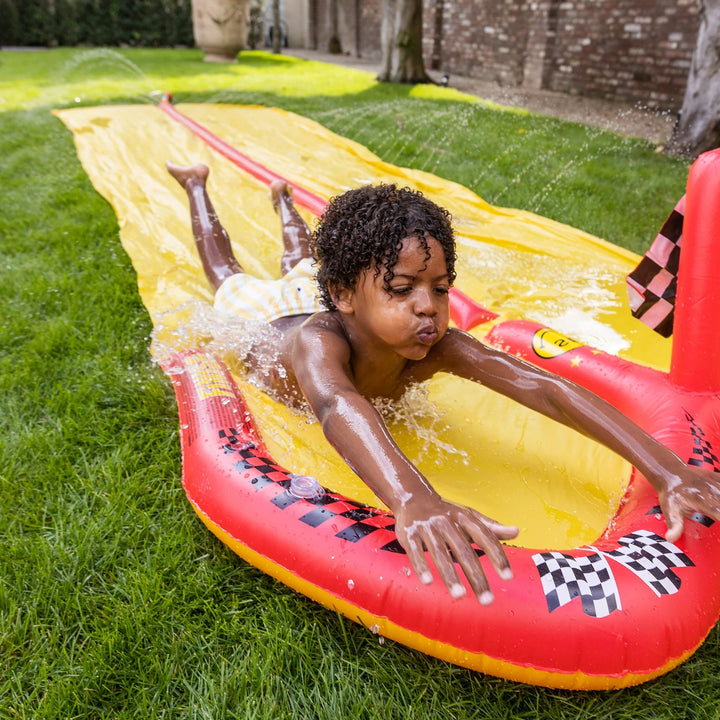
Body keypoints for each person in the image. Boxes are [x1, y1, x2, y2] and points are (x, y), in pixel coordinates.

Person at [167, 161, 720, 605]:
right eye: (403, 289)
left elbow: (544, 388)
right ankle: (196, 184)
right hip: (269, 320)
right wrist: (413, 497)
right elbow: (337, 404)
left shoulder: (436, 345)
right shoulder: (319, 344)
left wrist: (664, 466)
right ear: (343, 297)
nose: (428, 310)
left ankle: (282, 202)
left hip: (326, 293)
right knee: (228, 278)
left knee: (299, 260)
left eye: (439, 288)